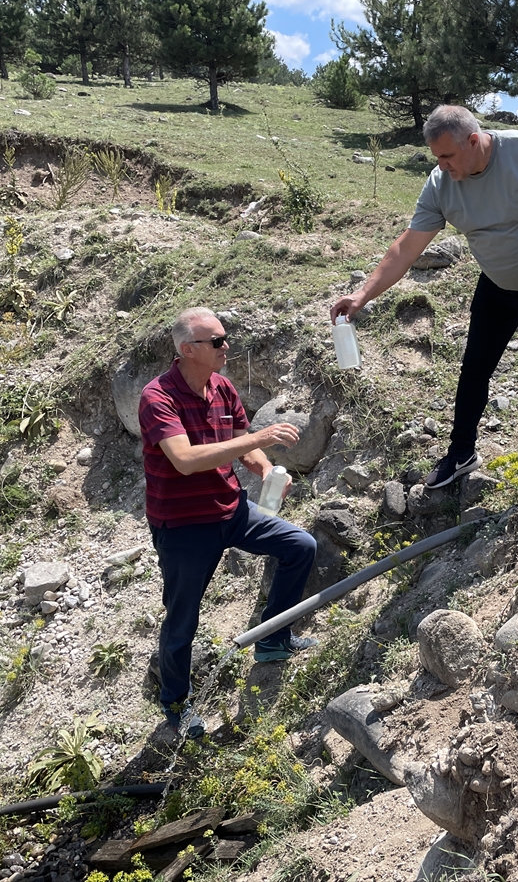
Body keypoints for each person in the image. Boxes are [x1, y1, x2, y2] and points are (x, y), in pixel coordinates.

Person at [331, 105, 518, 489]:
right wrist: (362, 295)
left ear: (474, 141)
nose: (442, 165)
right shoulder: (440, 183)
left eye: (447, 156)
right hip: (498, 285)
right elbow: (407, 248)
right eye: (437, 158)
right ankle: (461, 453)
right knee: (475, 368)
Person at [139, 307, 318, 738]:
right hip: (183, 527)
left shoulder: (221, 387)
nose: (226, 347)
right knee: (183, 619)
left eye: (225, 338)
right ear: (187, 350)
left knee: (300, 546)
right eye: (217, 341)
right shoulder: (157, 397)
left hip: (230, 509)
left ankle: (273, 640)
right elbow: (184, 460)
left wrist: (263, 470)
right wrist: (259, 438)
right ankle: (176, 705)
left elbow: (240, 447)